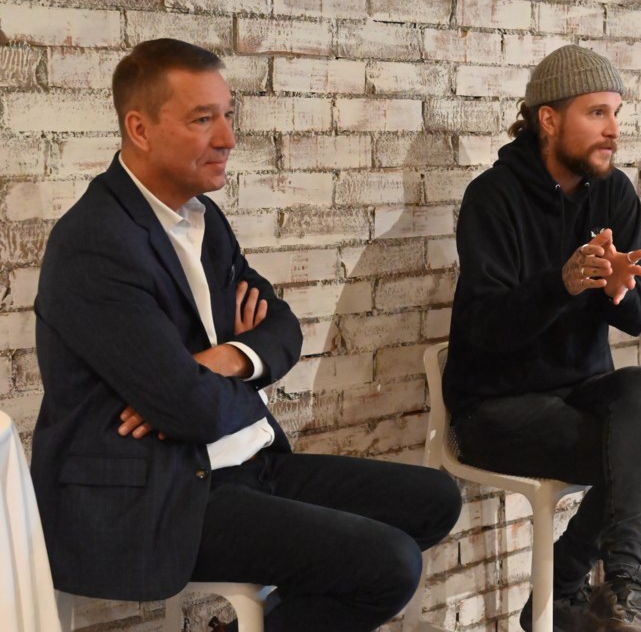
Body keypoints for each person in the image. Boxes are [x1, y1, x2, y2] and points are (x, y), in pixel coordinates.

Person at [30, 38, 461, 632]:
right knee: (387, 562)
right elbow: (191, 411)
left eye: (227, 114)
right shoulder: (96, 243)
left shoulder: (203, 219)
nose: (228, 138)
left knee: (434, 499)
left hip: (243, 463)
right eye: (203, 119)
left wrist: (228, 358)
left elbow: (282, 329)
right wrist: (193, 391)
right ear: (140, 128)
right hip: (159, 495)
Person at [442, 45, 641, 632]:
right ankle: (569, 583)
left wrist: (618, 290)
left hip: (577, 390)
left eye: (617, 113)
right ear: (548, 118)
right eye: (597, 113)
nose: (613, 130)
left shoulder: (613, 193)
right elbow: (483, 329)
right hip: (494, 406)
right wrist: (562, 284)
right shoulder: (491, 198)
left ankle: (620, 585)